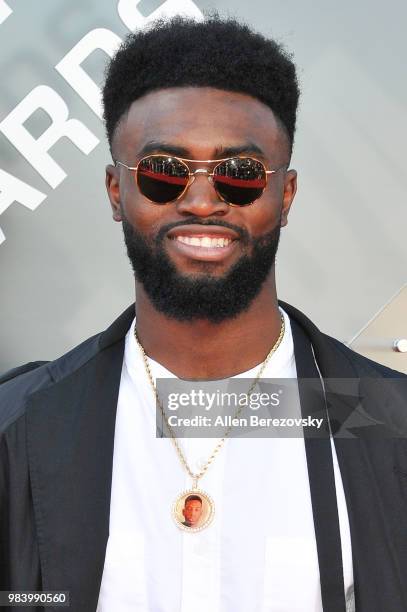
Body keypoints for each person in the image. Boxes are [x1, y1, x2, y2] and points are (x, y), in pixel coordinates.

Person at [0, 14, 406, 612]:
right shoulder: (21, 425)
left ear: (284, 196)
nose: (200, 201)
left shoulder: (383, 419)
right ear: (117, 192)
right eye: (164, 172)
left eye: (239, 176)